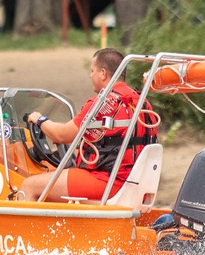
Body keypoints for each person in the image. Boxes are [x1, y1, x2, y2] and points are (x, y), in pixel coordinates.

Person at [18, 48, 158, 203]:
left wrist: (39, 120)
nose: (90, 75)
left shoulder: (102, 102)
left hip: (107, 181)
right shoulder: (142, 103)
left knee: (29, 186)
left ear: (103, 73)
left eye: (92, 71)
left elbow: (62, 135)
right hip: (133, 181)